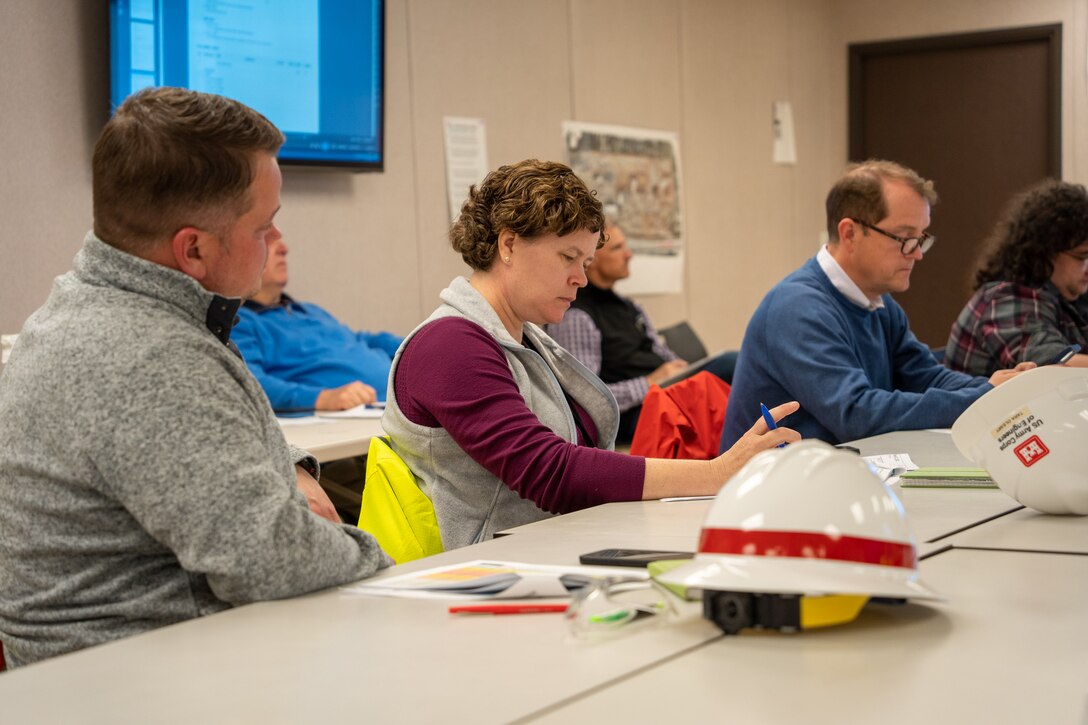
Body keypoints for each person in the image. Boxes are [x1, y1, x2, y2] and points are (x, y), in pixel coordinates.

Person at [0, 87, 391, 667]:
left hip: (137, 662)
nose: (275, 244)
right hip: (151, 680)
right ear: (194, 249)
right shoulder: (147, 356)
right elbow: (269, 561)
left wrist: (287, 465)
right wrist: (379, 559)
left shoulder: (92, 304)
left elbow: (188, 429)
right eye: (265, 228)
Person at [381, 159, 799, 551]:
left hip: (549, 545)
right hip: (494, 569)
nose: (580, 278)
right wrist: (714, 473)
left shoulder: (526, 337)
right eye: (568, 257)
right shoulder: (450, 344)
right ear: (508, 244)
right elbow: (550, 472)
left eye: (586, 261)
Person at [720, 159, 1033, 448]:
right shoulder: (798, 309)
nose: (917, 252)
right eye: (904, 237)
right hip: (775, 494)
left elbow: (926, 376)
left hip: (832, 478)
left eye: (921, 238)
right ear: (850, 233)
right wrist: (985, 395)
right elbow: (857, 414)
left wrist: (999, 390)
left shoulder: (878, 303)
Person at [547, 223, 737, 441]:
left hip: (663, 395)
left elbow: (661, 352)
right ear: (592, 258)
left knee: (723, 386)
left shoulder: (630, 307)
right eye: (618, 249)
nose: (629, 255)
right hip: (635, 412)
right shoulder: (578, 316)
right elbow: (587, 400)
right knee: (730, 365)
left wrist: (682, 374)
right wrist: (648, 384)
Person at [233, 235, 404, 412]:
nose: (284, 249)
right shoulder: (240, 322)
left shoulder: (309, 310)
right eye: (268, 239)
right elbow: (249, 383)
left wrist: (416, 344)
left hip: (399, 402)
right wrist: (322, 398)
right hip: (359, 417)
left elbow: (358, 339)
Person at [944, 179, 1088, 375]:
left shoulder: (1072, 296)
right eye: (1082, 257)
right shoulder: (1006, 298)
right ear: (1047, 251)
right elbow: (1052, 366)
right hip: (988, 406)